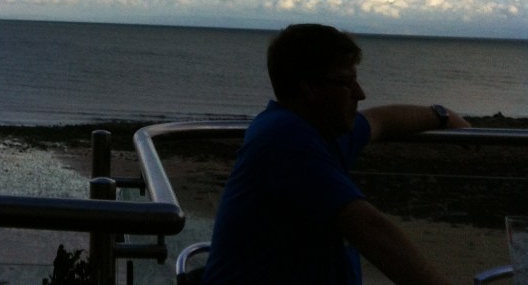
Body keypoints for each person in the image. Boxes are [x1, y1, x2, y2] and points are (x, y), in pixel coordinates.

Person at [200, 23, 470, 285]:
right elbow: (370, 230)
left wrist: (442, 116)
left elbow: (382, 121)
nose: (360, 93)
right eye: (346, 82)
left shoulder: (321, 130)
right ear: (310, 88)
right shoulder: (283, 137)